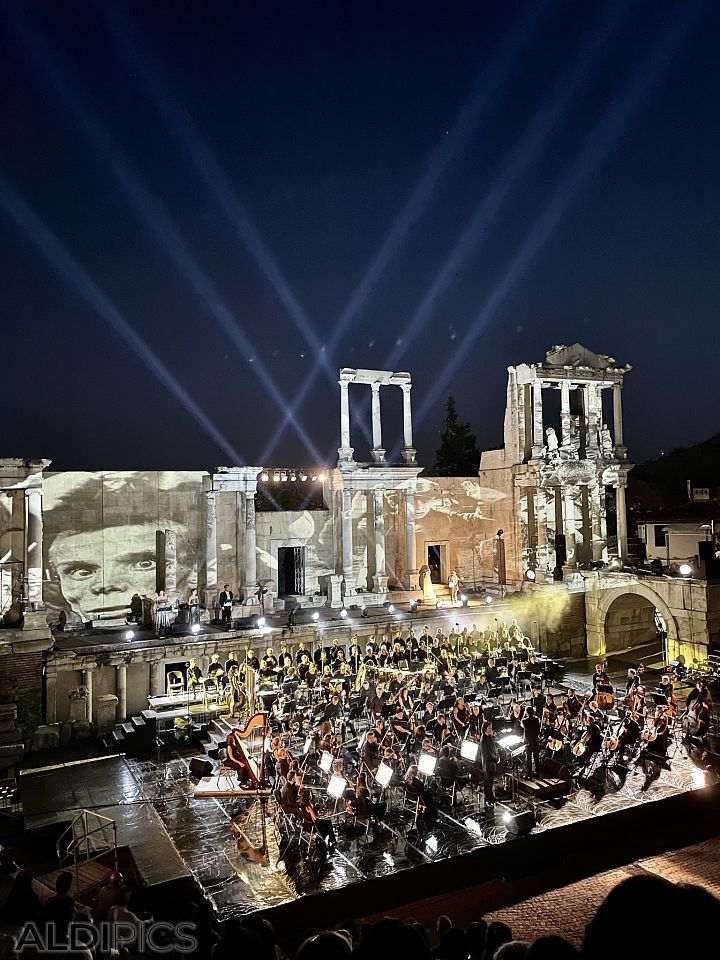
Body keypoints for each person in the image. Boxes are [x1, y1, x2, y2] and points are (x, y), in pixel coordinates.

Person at [480, 720, 499, 808]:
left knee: (491, 782)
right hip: (488, 764)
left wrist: (497, 757)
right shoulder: (483, 739)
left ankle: (492, 797)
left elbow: (494, 749)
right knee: (487, 783)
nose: (491, 729)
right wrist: (496, 759)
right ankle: (488, 800)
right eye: (489, 728)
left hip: (492, 763)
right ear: (485, 729)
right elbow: (487, 754)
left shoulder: (489, 737)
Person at [523, 706, 541, 780]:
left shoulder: (524, 721)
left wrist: (524, 715)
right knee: (536, 757)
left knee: (529, 758)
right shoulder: (536, 720)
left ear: (526, 712)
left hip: (528, 741)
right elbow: (538, 730)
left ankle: (529, 774)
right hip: (535, 740)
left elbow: (523, 727)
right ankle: (537, 772)